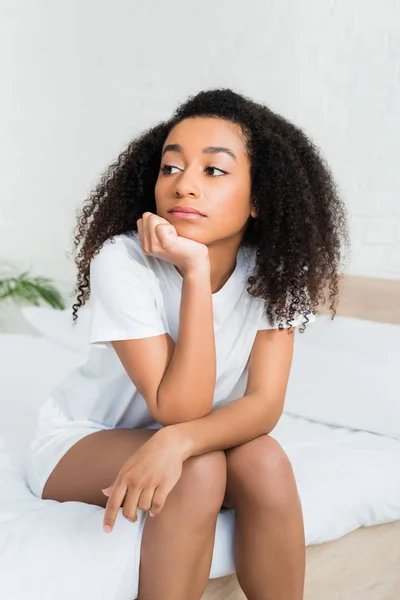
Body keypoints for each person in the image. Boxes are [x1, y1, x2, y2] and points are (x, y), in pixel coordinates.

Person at [25, 88, 349, 600]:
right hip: (86, 441)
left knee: (264, 461)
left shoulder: (278, 272)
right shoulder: (122, 260)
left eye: (213, 172)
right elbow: (179, 407)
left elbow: (264, 405)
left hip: (189, 437)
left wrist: (176, 441)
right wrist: (195, 271)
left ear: (260, 197)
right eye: (170, 169)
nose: (184, 187)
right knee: (199, 470)